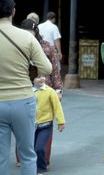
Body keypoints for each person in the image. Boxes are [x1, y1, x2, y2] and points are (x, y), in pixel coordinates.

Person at [0, 0, 52, 175]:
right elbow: (47, 67)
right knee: (28, 154)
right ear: (13, 12)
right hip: (23, 100)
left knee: (0, 157)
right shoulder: (26, 37)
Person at [15, 18, 64, 168]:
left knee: (45, 125)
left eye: (30, 33)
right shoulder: (16, 47)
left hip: (45, 90)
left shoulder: (47, 47)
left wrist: (58, 89)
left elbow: (55, 69)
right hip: (23, 90)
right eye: (25, 33)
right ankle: (21, 158)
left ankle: (44, 161)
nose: (28, 36)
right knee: (22, 126)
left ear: (35, 32)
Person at [32, 75, 65, 175]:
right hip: (30, 125)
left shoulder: (50, 91)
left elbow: (57, 107)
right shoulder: (28, 91)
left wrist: (61, 122)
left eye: (43, 76)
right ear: (32, 79)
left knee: (39, 148)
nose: (41, 79)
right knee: (31, 149)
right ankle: (31, 166)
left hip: (45, 125)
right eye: (38, 77)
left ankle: (41, 168)